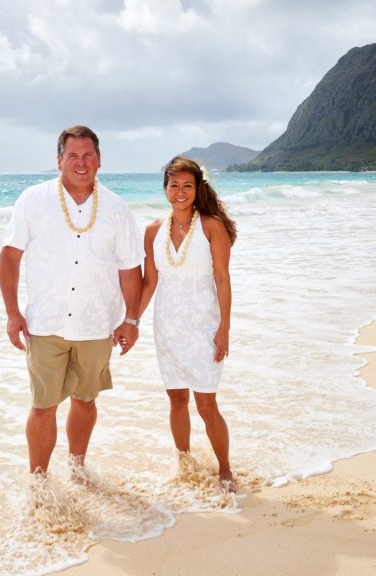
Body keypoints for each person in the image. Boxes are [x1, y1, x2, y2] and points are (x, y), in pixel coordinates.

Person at [0, 125, 143, 476]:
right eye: (73, 155)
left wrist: (132, 319)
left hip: (96, 323)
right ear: (60, 159)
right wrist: (12, 313)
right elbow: (9, 256)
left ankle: (77, 470)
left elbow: (129, 268)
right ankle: (39, 480)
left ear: (100, 160)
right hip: (46, 322)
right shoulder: (33, 200)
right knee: (42, 404)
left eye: (89, 155)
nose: (81, 162)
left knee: (86, 399)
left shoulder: (116, 208)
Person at [139, 155, 238, 492]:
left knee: (207, 403)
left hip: (203, 324)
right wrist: (130, 320)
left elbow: (222, 279)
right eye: (174, 185)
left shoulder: (212, 226)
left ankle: (225, 469)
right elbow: (149, 281)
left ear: (197, 189)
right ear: (165, 188)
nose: (180, 192)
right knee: (176, 399)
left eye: (187, 186)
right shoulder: (153, 230)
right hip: (166, 324)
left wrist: (223, 328)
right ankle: (185, 463)